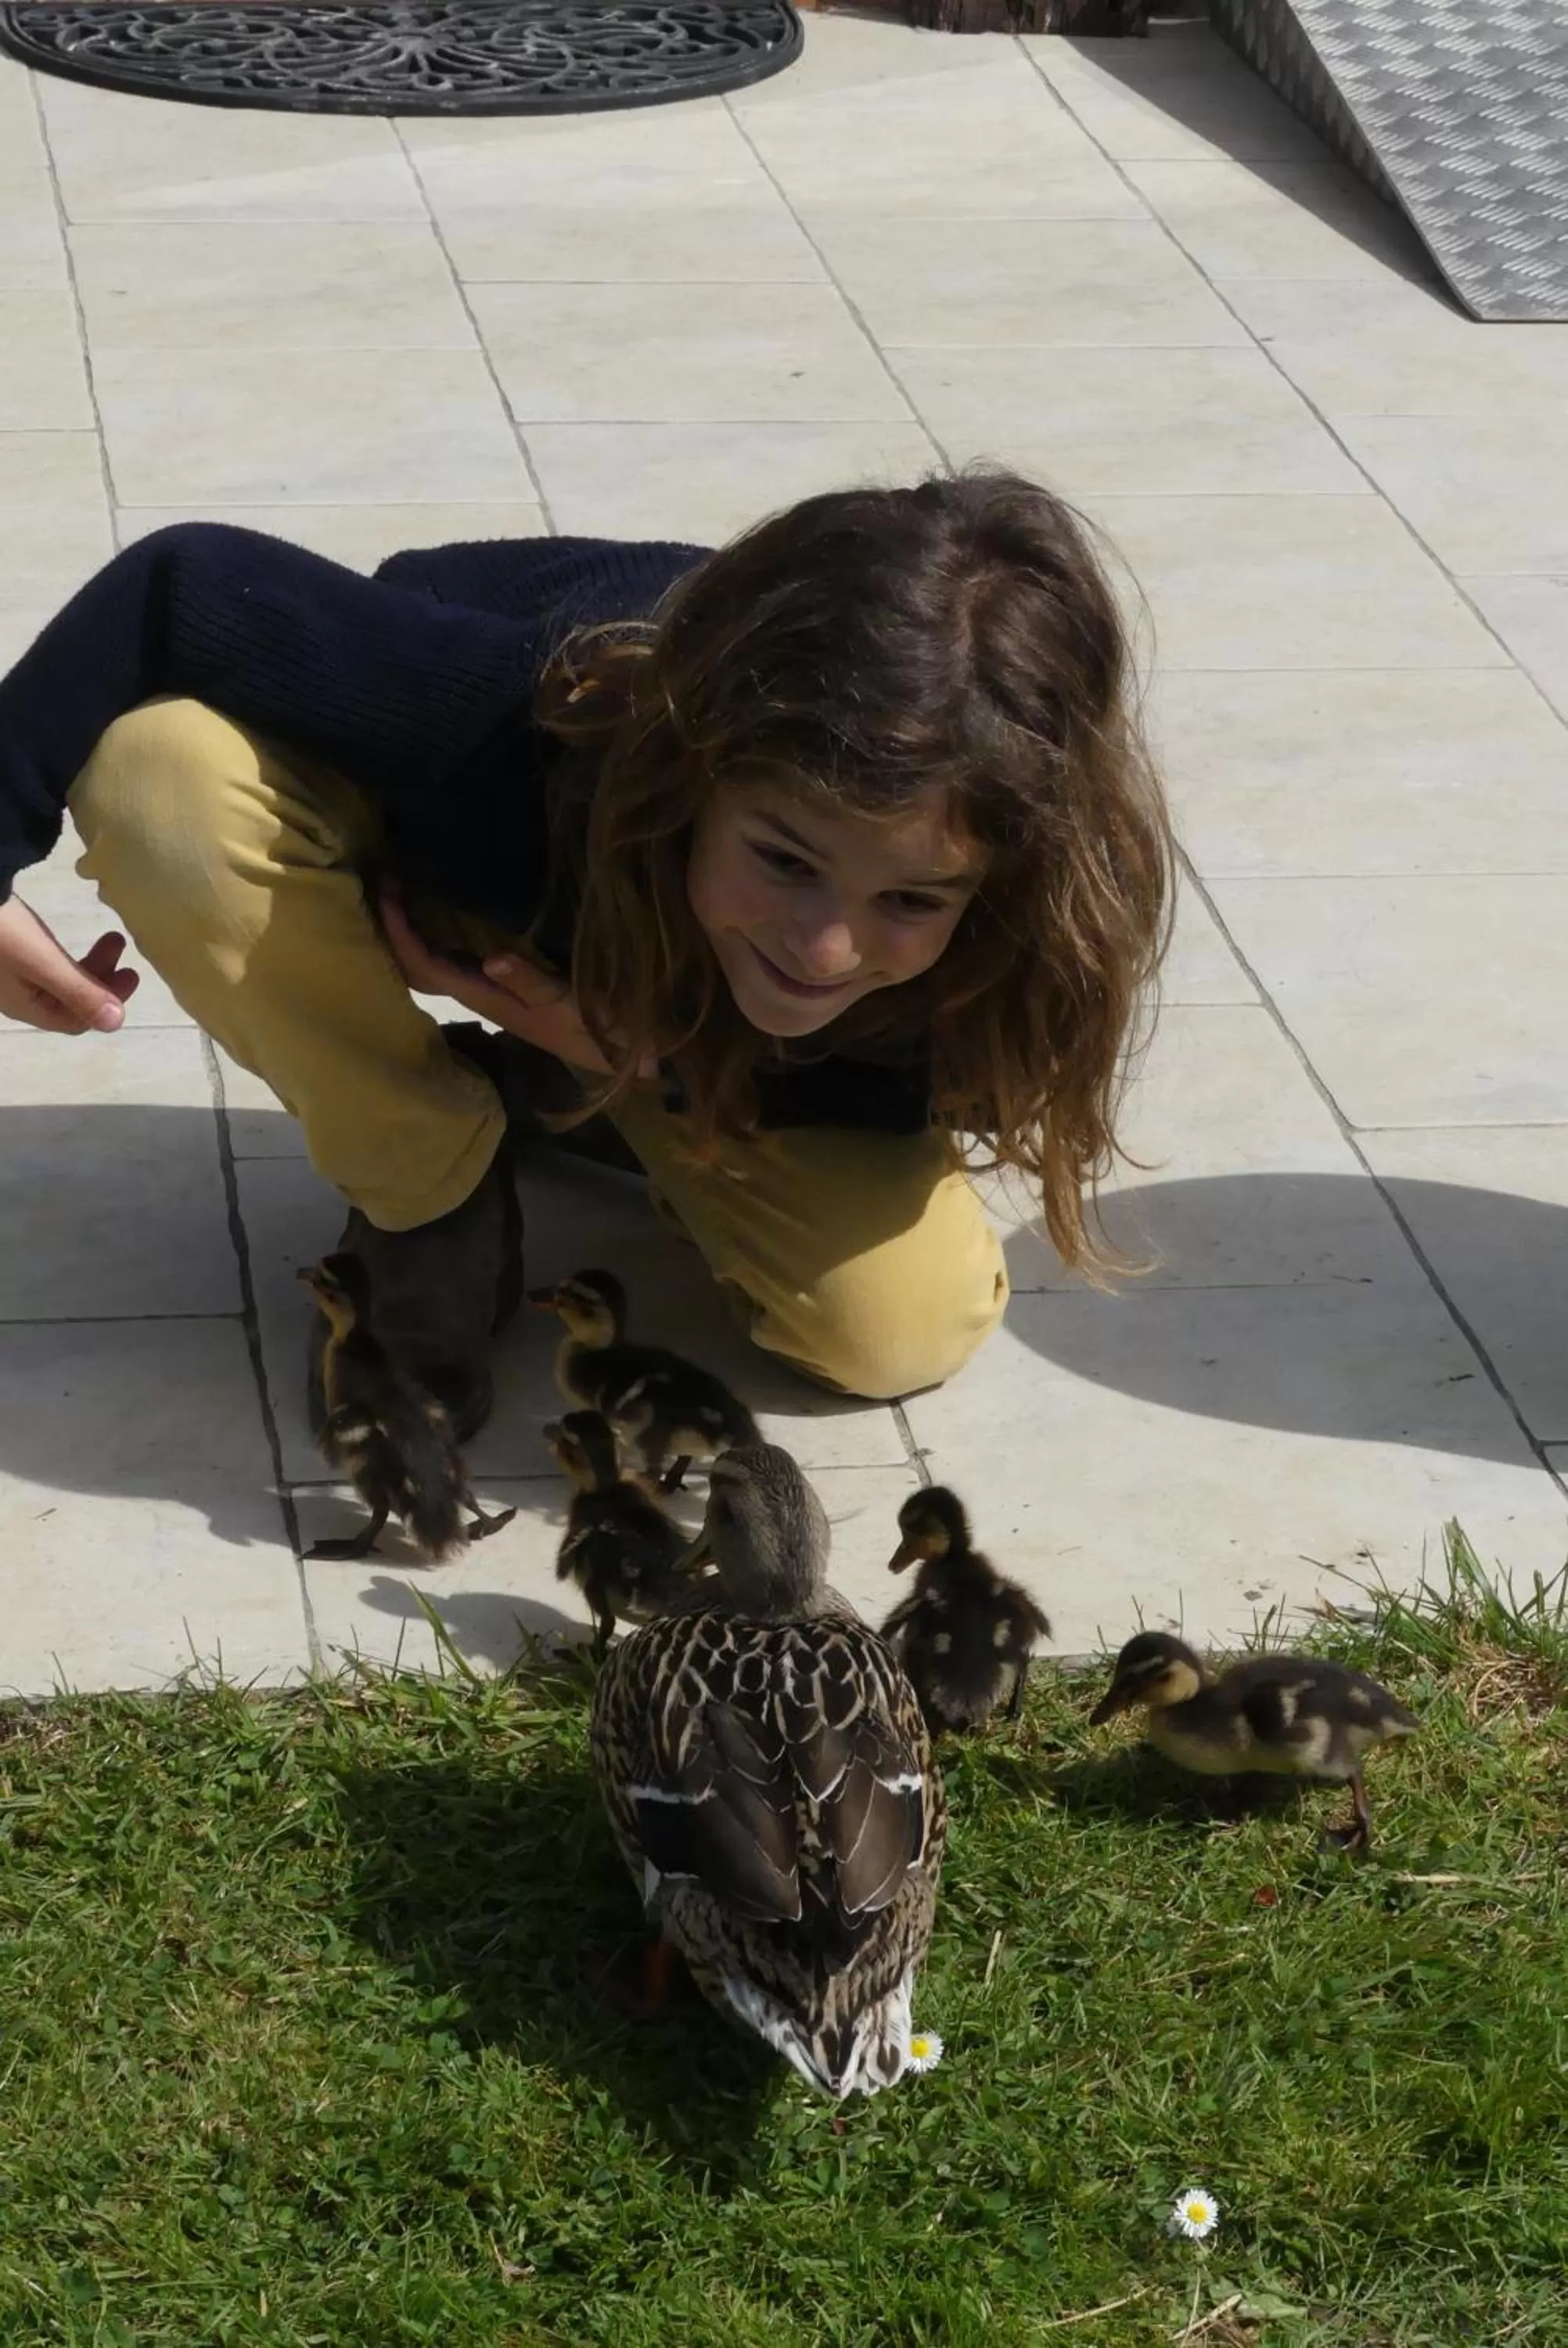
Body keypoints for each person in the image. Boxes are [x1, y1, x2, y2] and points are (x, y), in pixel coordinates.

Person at [0, 471, 1173, 1436]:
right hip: (489, 843)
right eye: (782, 857)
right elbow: (177, 580)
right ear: (695, 769)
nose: (826, 945)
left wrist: (630, 1053)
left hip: (641, 1003)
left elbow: (890, 1088)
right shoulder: (518, 710)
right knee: (164, 775)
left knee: (890, 1331)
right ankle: (427, 1188)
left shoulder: (1031, 932)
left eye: (912, 896)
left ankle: (558, 1087)